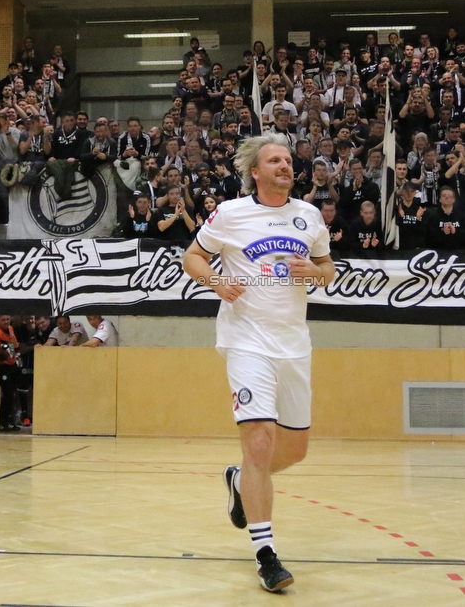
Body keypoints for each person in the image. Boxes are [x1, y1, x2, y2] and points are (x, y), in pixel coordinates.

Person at [182, 132, 334, 593]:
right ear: (256, 171)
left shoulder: (309, 217)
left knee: (294, 450)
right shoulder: (230, 214)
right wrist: (215, 280)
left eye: (288, 160)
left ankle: (239, 479)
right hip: (246, 340)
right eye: (275, 161)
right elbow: (192, 257)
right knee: (260, 442)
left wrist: (318, 274)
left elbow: (327, 270)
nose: (285, 166)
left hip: (294, 344)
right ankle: (266, 553)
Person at [0, 315, 21, 432]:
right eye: (3, 320)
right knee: (7, 394)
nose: (6, 322)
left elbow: (15, 345)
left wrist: (17, 357)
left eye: (7, 319)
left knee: (12, 394)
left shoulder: (10, 329)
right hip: (3, 366)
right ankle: (2, 422)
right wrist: (1, 345)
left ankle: (10, 421)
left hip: (12, 365)